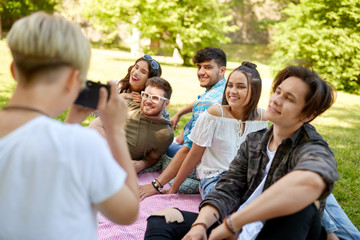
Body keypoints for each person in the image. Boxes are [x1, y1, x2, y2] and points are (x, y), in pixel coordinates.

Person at [144, 64, 340, 240]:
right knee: (162, 219)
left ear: (308, 114)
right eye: (278, 91)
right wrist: (200, 225)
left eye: (288, 98)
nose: (276, 100)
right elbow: (229, 186)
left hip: (270, 229)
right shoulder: (255, 140)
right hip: (243, 229)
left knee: (304, 207)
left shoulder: (312, 146)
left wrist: (233, 223)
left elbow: (311, 182)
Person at [0, 12, 138, 240]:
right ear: (74, 79)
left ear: (14, 70)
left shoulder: (71, 140)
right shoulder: (82, 145)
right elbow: (128, 211)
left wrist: (71, 124)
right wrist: (115, 130)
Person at [164, 61, 268, 199]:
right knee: (225, 204)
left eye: (241, 87)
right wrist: (173, 189)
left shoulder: (262, 118)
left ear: (254, 90)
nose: (233, 91)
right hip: (215, 178)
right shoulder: (214, 114)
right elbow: (194, 154)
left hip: (245, 179)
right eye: (230, 85)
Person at [139, 46, 227, 199]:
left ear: (222, 70)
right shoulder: (227, 89)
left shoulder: (206, 103)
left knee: (165, 148)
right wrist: (179, 113)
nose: (201, 72)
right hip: (225, 158)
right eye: (199, 67)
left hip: (205, 164)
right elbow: (200, 101)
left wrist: (162, 186)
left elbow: (189, 151)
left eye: (208, 67)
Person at [89, 77, 174, 173]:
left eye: (155, 98)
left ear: (166, 103)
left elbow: (152, 158)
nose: (148, 101)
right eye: (146, 95)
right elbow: (97, 124)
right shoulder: (129, 105)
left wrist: (142, 164)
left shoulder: (165, 134)